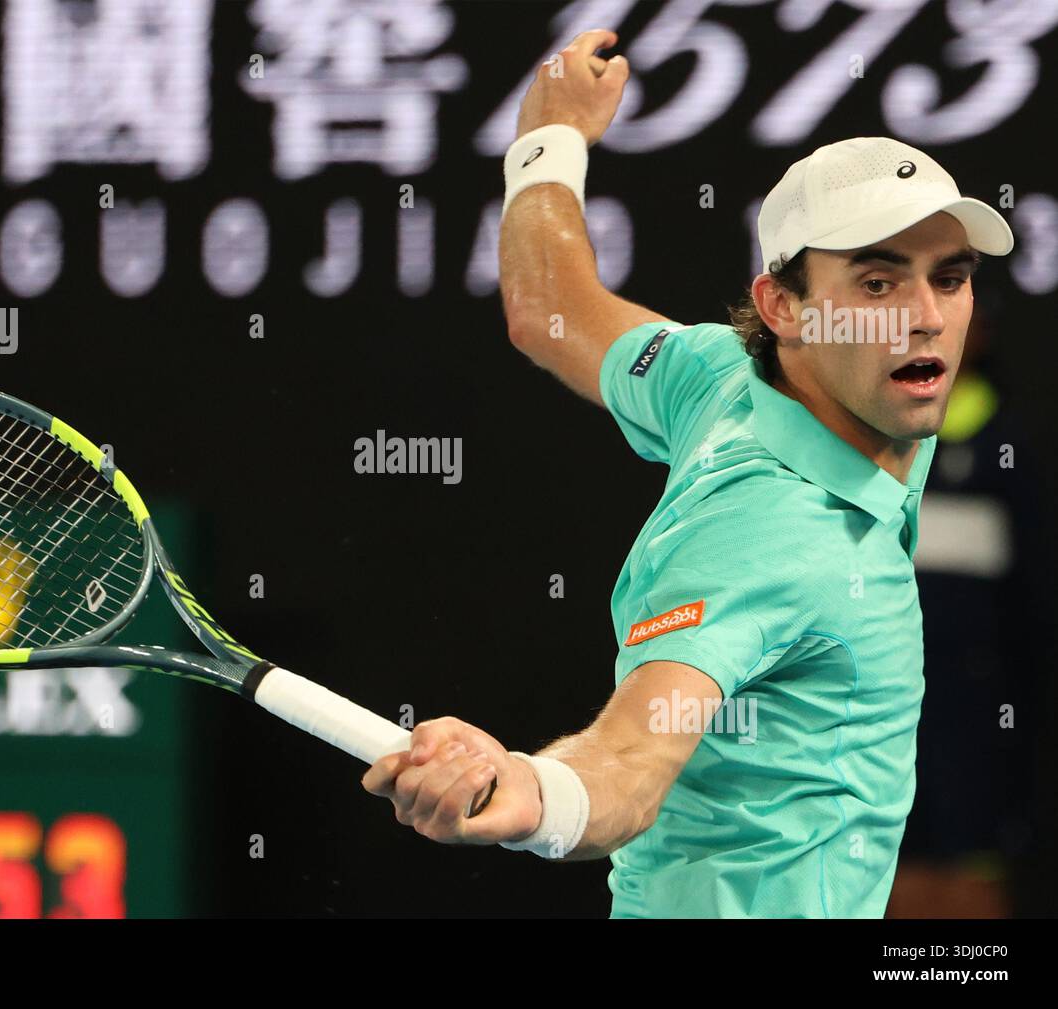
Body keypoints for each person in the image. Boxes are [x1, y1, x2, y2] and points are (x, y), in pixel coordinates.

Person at [361, 29, 1014, 918]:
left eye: (952, 277)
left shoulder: (719, 377)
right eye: (876, 283)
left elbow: (550, 309)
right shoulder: (775, 538)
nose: (929, 317)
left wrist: (548, 140)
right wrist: (530, 792)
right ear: (784, 306)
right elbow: (630, 762)